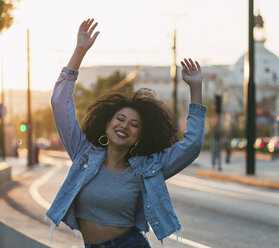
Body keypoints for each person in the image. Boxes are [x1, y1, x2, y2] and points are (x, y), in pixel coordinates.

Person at [45, 18, 206, 248]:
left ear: (140, 135)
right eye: (120, 119)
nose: (124, 126)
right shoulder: (84, 155)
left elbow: (191, 146)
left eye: (134, 124)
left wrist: (196, 89)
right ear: (107, 123)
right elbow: (60, 104)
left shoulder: (148, 168)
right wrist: (79, 51)